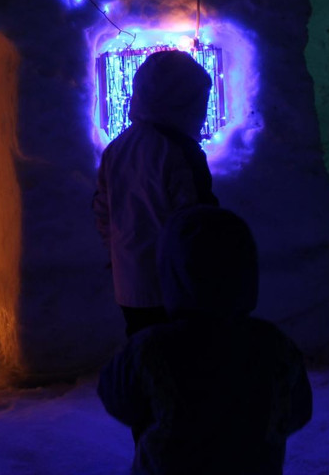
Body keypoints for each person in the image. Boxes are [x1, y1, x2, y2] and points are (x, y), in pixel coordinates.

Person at [97, 205, 312, 474]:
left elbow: (118, 400)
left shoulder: (150, 347)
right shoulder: (275, 344)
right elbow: (298, 411)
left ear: (171, 272)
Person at [91, 49, 218, 337]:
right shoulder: (179, 152)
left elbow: (102, 209)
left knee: (147, 358)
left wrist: (119, 253)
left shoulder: (118, 147)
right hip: (176, 287)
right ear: (184, 102)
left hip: (130, 284)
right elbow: (196, 222)